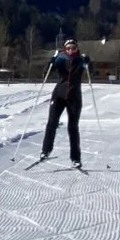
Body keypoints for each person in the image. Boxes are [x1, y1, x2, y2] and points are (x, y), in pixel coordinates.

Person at [40, 39, 92, 168]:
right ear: (65, 49)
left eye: (73, 48)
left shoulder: (80, 60)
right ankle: (46, 151)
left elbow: (92, 71)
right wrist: (50, 62)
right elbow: (46, 72)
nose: (70, 50)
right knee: (52, 123)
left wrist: (88, 62)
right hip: (58, 95)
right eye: (68, 48)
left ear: (76, 49)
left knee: (73, 128)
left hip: (74, 97)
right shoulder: (60, 59)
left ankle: (75, 158)